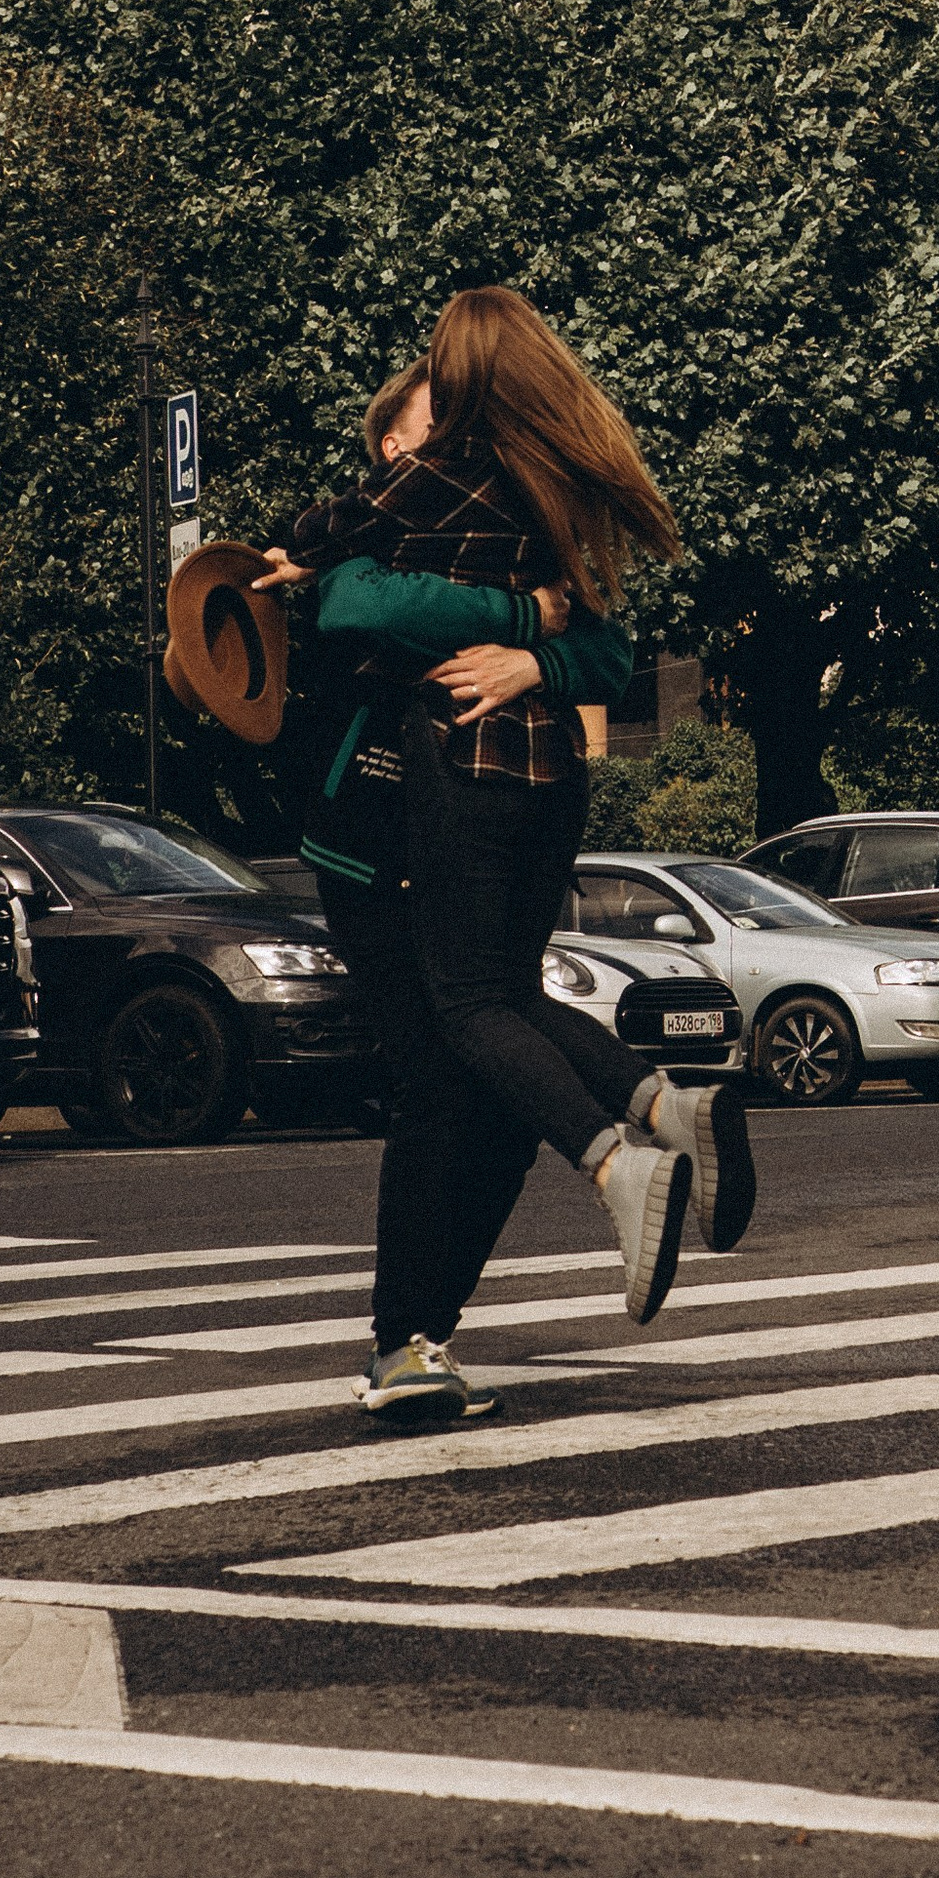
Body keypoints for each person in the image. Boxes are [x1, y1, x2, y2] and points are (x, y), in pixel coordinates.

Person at [264, 299, 742, 1423]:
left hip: (464, 809)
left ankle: (422, 1335)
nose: (450, 438)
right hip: (374, 846)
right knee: (448, 1073)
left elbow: (611, 646)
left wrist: (534, 656)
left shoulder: (483, 488)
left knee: (489, 1063)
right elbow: (355, 603)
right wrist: (531, 614)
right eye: (428, 427)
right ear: (391, 446)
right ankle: (410, 1337)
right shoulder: (369, 551)